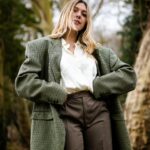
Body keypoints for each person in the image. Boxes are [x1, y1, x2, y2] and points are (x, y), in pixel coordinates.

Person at [15, 0, 136, 150]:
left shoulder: (97, 51)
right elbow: (24, 82)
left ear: (86, 22)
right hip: (66, 109)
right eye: (75, 10)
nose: (79, 15)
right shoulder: (41, 47)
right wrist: (57, 92)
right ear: (66, 13)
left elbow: (129, 76)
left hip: (97, 109)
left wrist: (96, 85)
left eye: (84, 14)